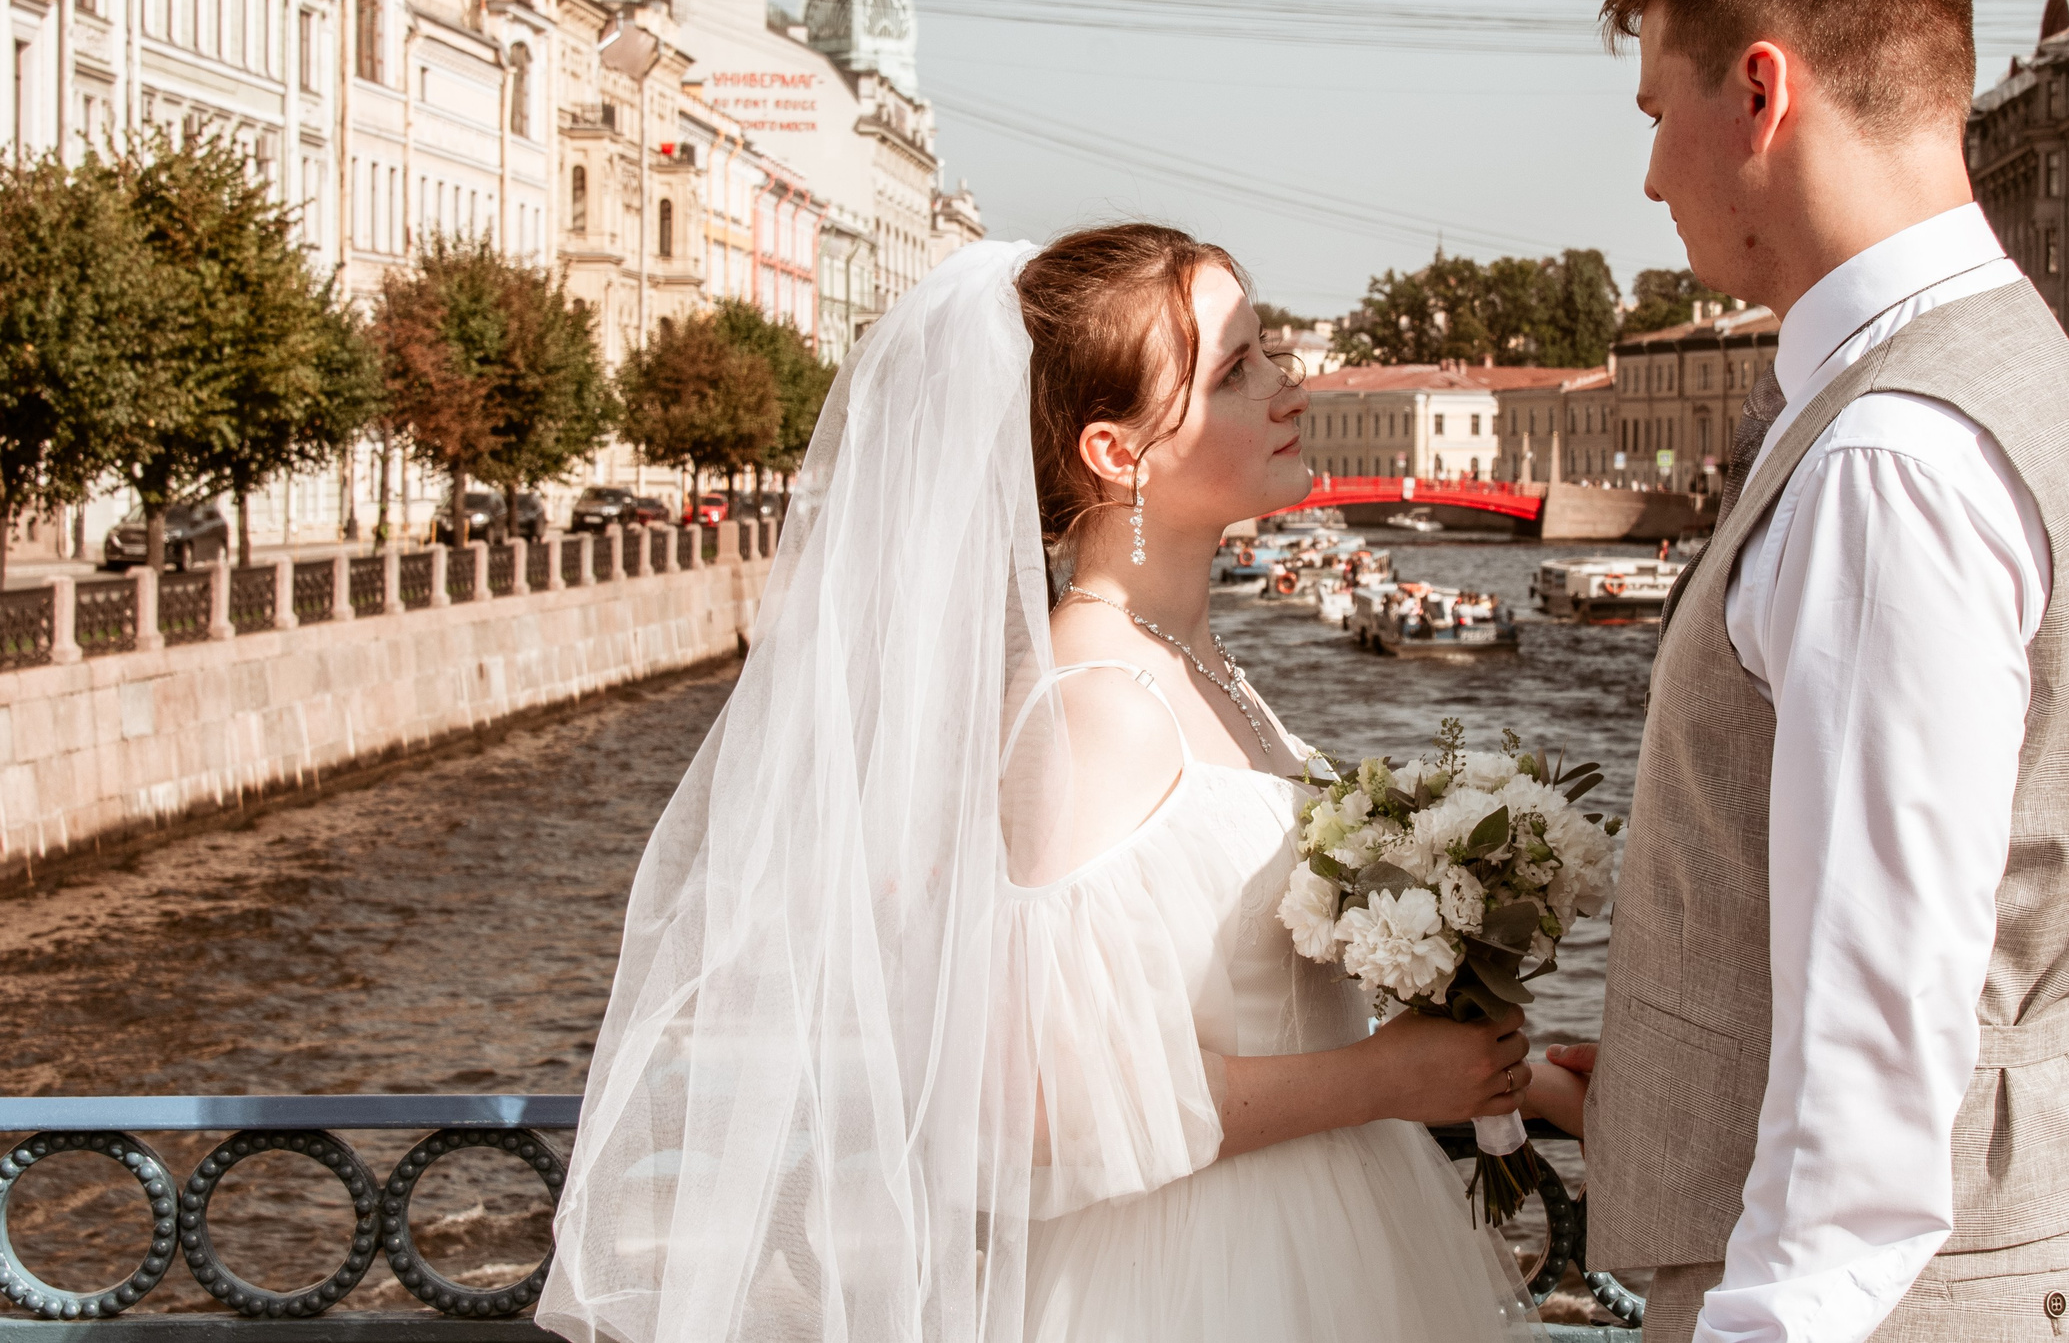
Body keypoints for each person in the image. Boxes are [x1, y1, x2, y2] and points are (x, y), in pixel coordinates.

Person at [540, 227, 1543, 1343]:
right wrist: (1382, 1080)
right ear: (1118, 451)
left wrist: (1512, 1069)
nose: (1290, 389)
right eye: (1236, 370)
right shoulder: (1093, 699)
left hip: (1327, 1232)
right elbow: (1036, 1104)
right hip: (1189, 1279)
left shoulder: (1198, 667)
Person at [1523, 0, 2069, 1342]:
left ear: (1761, 92)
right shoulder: (1999, 372)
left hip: (1911, 1297)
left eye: (1656, 111)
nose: (1649, 173)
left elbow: (1882, 1018)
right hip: (2020, 1235)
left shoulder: (1891, 455)